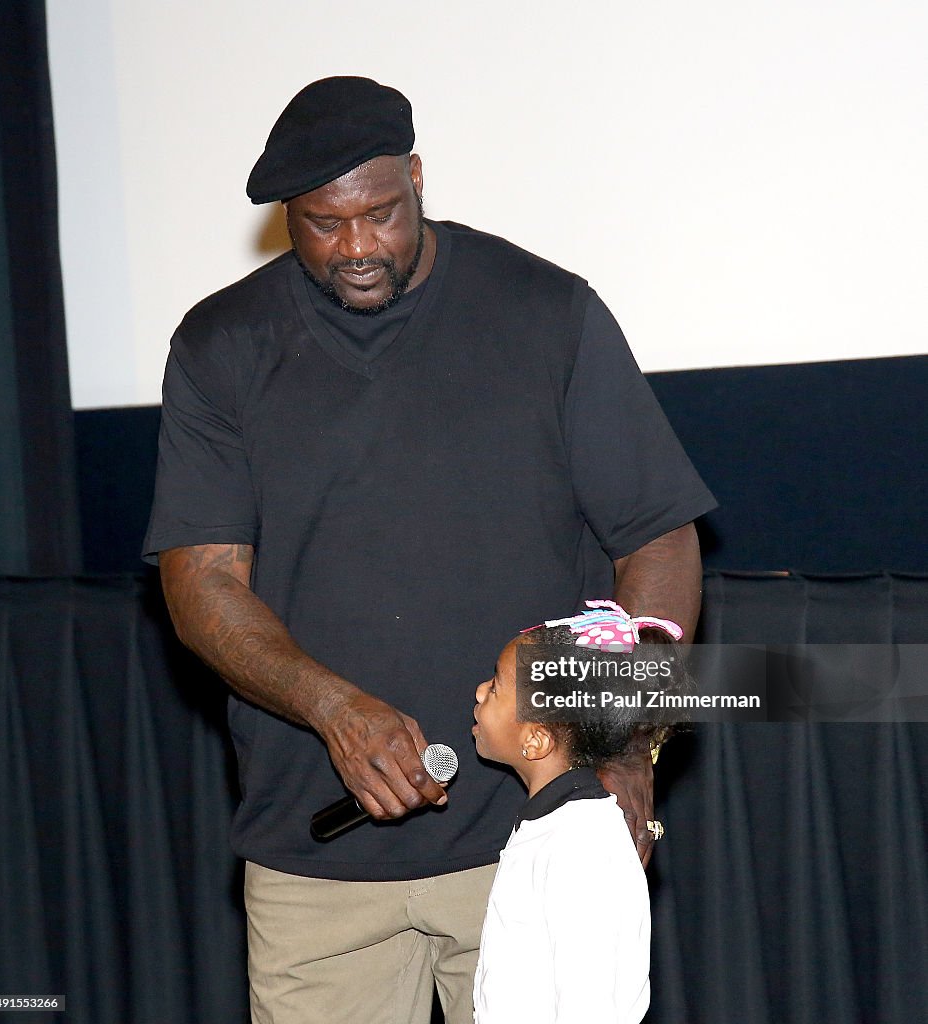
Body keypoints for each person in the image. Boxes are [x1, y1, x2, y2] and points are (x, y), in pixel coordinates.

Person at [143, 75, 716, 1024]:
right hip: (314, 855)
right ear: (289, 216)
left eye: (381, 214)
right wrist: (335, 710)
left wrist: (624, 745)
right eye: (324, 225)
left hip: (529, 841)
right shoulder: (221, 347)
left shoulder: (546, 312)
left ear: (416, 178)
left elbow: (656, 538)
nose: (357, 247)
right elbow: (200, 581)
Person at [472, 605, 692, 1023]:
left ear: (536, 740)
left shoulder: (582, 845)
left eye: (497, 687)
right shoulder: (554, 824)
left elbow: (591, 1008)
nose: (481, 691)